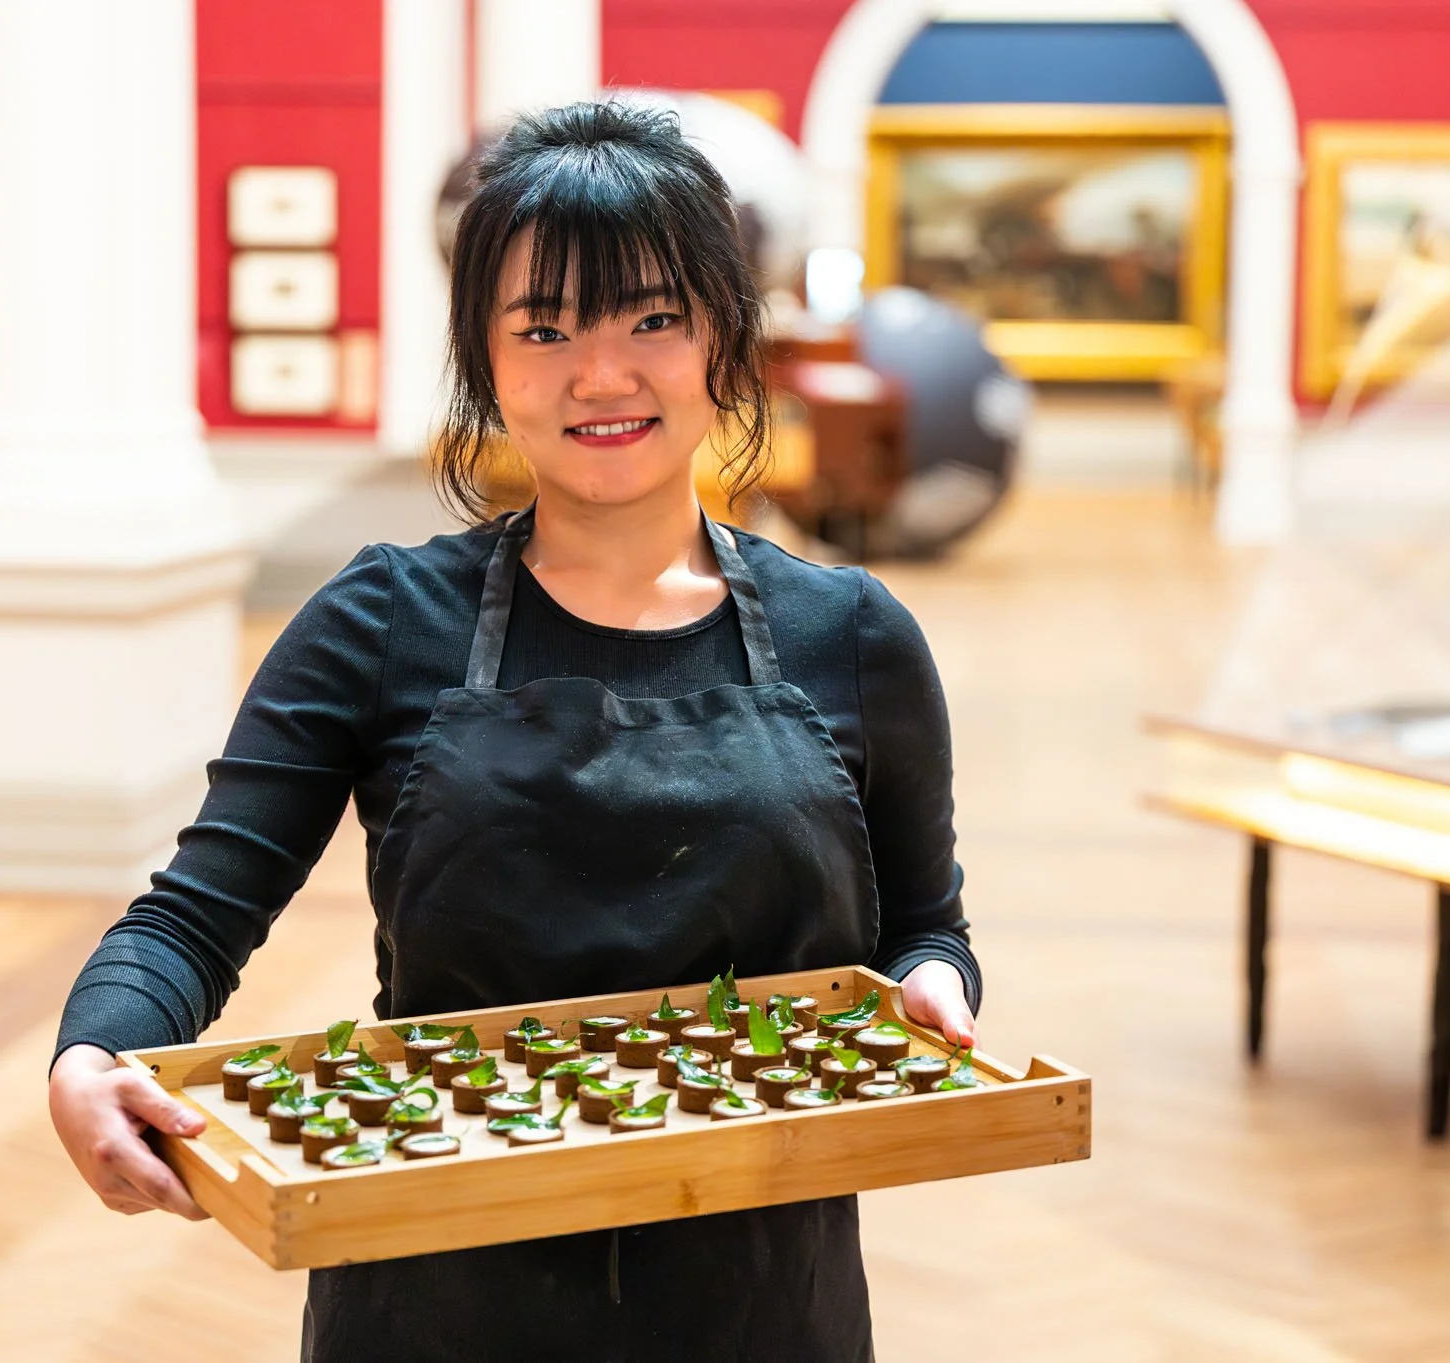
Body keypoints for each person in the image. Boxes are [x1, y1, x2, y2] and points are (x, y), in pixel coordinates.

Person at [48, 101, 981, 1362]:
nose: (600, 375)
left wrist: (929, 990)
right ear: (487, 363)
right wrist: (97, 1048)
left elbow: (927, 927)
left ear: (723, 337)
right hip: (435, 1283)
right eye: (543, 328)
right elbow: (193, 912)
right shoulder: (379, 619)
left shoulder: (851, 634)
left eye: (652, 318)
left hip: (759, 1292)